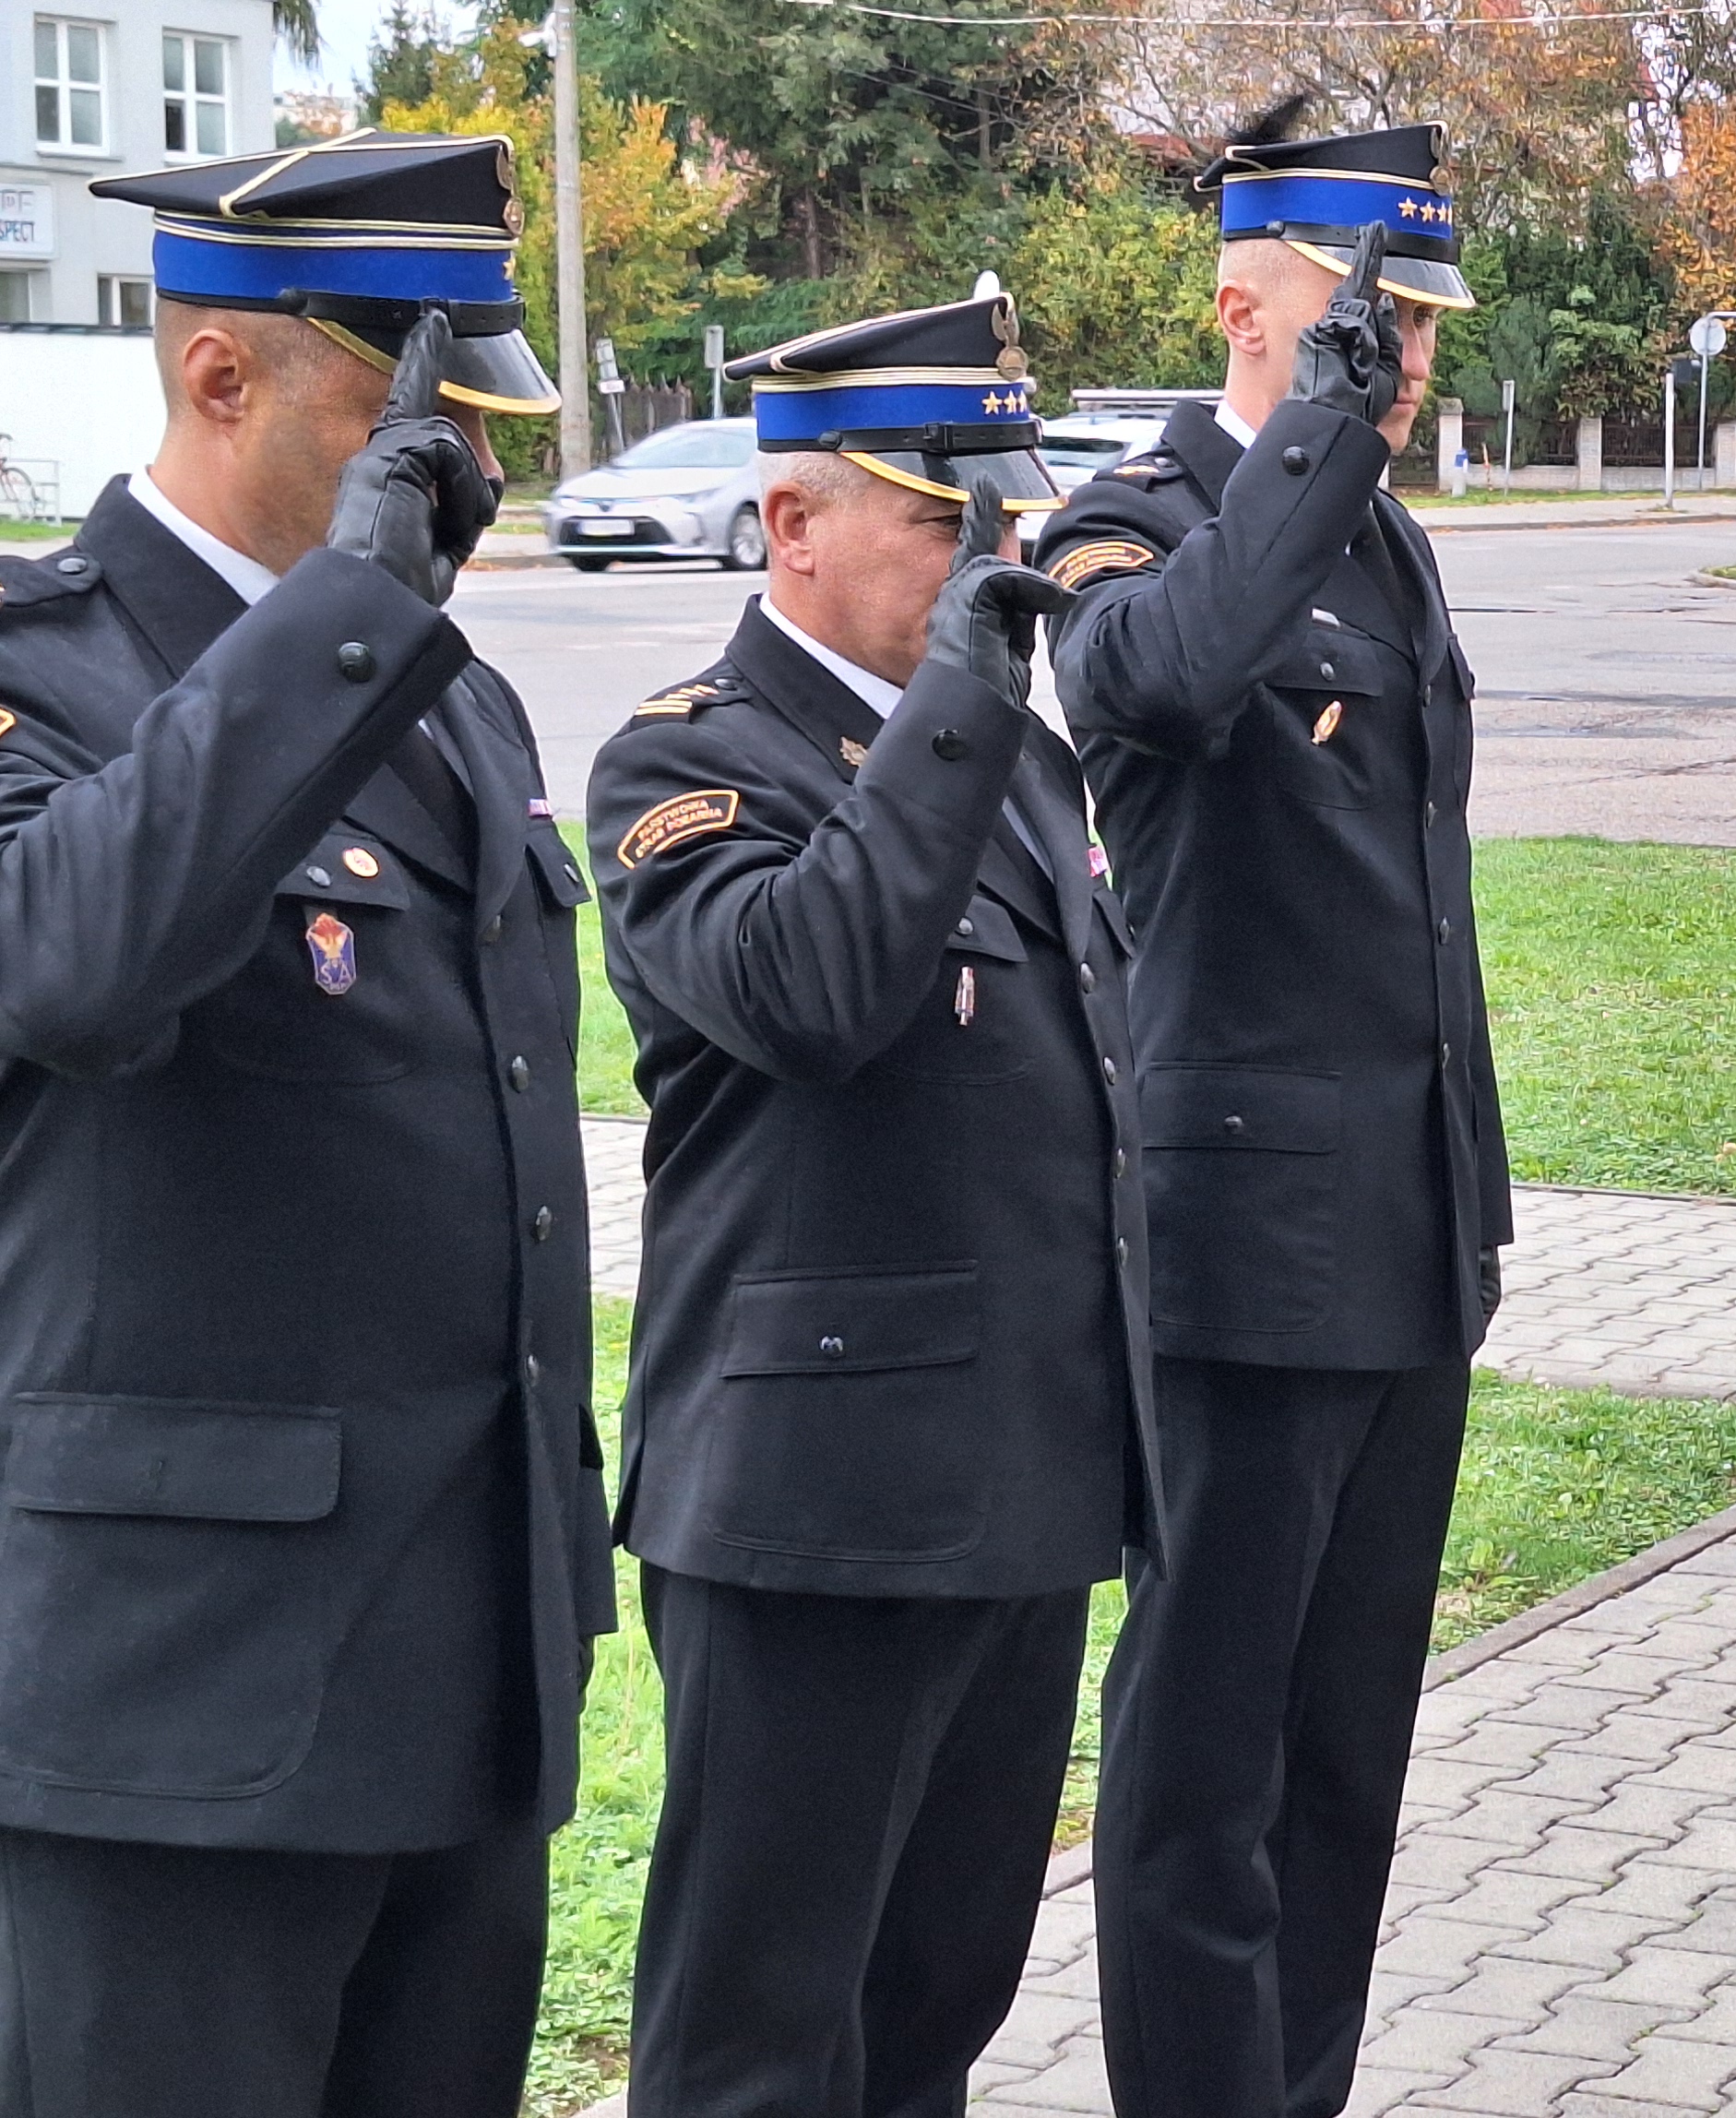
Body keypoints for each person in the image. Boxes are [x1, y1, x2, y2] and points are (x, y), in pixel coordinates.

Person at [0, 132, 608, 2117]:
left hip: (458, 1674)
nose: (455, 465)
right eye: (395, 406)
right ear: (221, 374)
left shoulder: (447, 697)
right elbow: (78, 968)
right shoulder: (42, 671)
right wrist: (351, 597)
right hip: (177, 1712)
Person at [583, 292, 1152, 2118]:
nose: (987, 554)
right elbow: (815, 990)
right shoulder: (685, 759)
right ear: (795, 525)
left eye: (998, 511)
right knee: (760, 2037)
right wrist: (965, 712)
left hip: (1012, 1483)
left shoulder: (1010, 756)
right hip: (810, 1513)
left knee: (934, 2010)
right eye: (940, 514)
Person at [1029, 113, 1511, 2118]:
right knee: (1204, 1769)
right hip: (1240, 1256)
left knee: (1345, 1767)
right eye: (1366, 314)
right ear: (1250, 303)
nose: (1402, 355)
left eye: (1410, 322)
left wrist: (1466, 1211)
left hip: (1403, 1240)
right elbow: (1160, 681)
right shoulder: (1127, 521)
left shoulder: (1383, 534)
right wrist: (1319, 426)